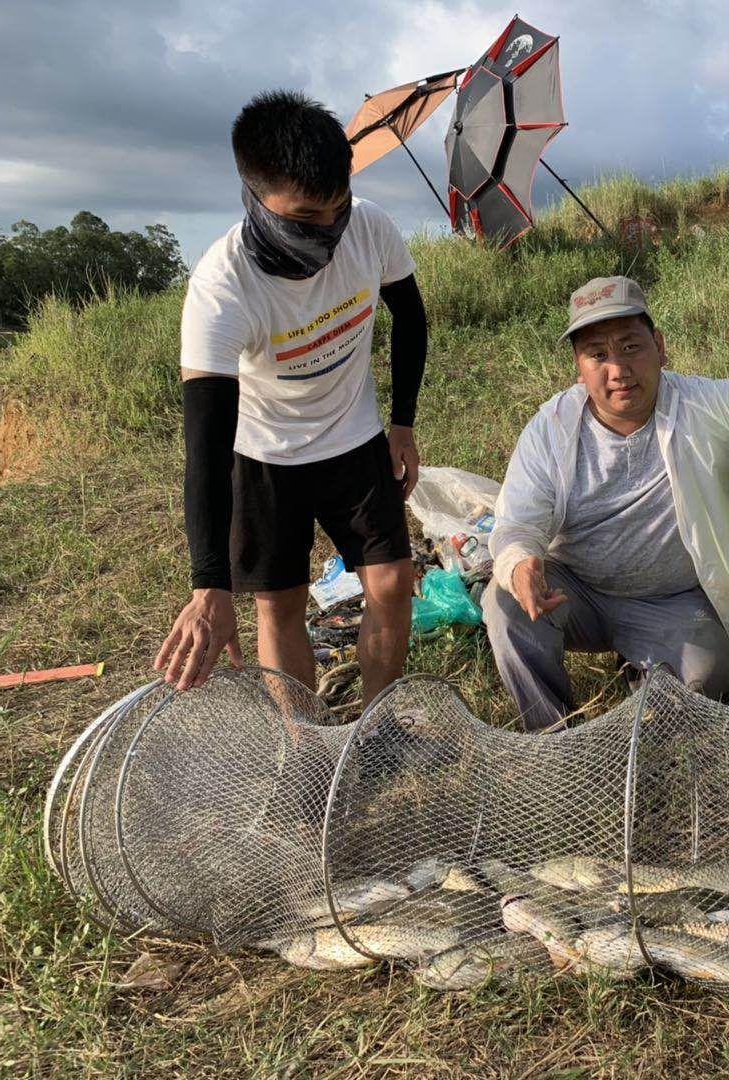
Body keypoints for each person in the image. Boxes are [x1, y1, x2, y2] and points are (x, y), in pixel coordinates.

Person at [154, 90, 427, 707]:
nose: (330, 230)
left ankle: (375, 733)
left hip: (353, 437)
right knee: (280, 607)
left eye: (339, 209)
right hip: (264, 453)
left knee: (390, 584)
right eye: (306, 219)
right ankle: (306, 745)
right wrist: (209, 586)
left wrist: (402, 424)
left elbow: (410, 317)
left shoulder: (371, 228)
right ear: (255, 197)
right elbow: (206, 444)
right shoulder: (222, 290)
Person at [484, 277, 729, 731]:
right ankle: (550, 737)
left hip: (669, 599)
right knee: (504, 604)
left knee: (706, 677)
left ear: (660, 347)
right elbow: (516, 525)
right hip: (573, 592)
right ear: (579, 367)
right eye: (598, 355)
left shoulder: (705, 404)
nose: (618, 369)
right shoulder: (551, 428)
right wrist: (520, 564)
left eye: (630, 347)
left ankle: (644, 677)